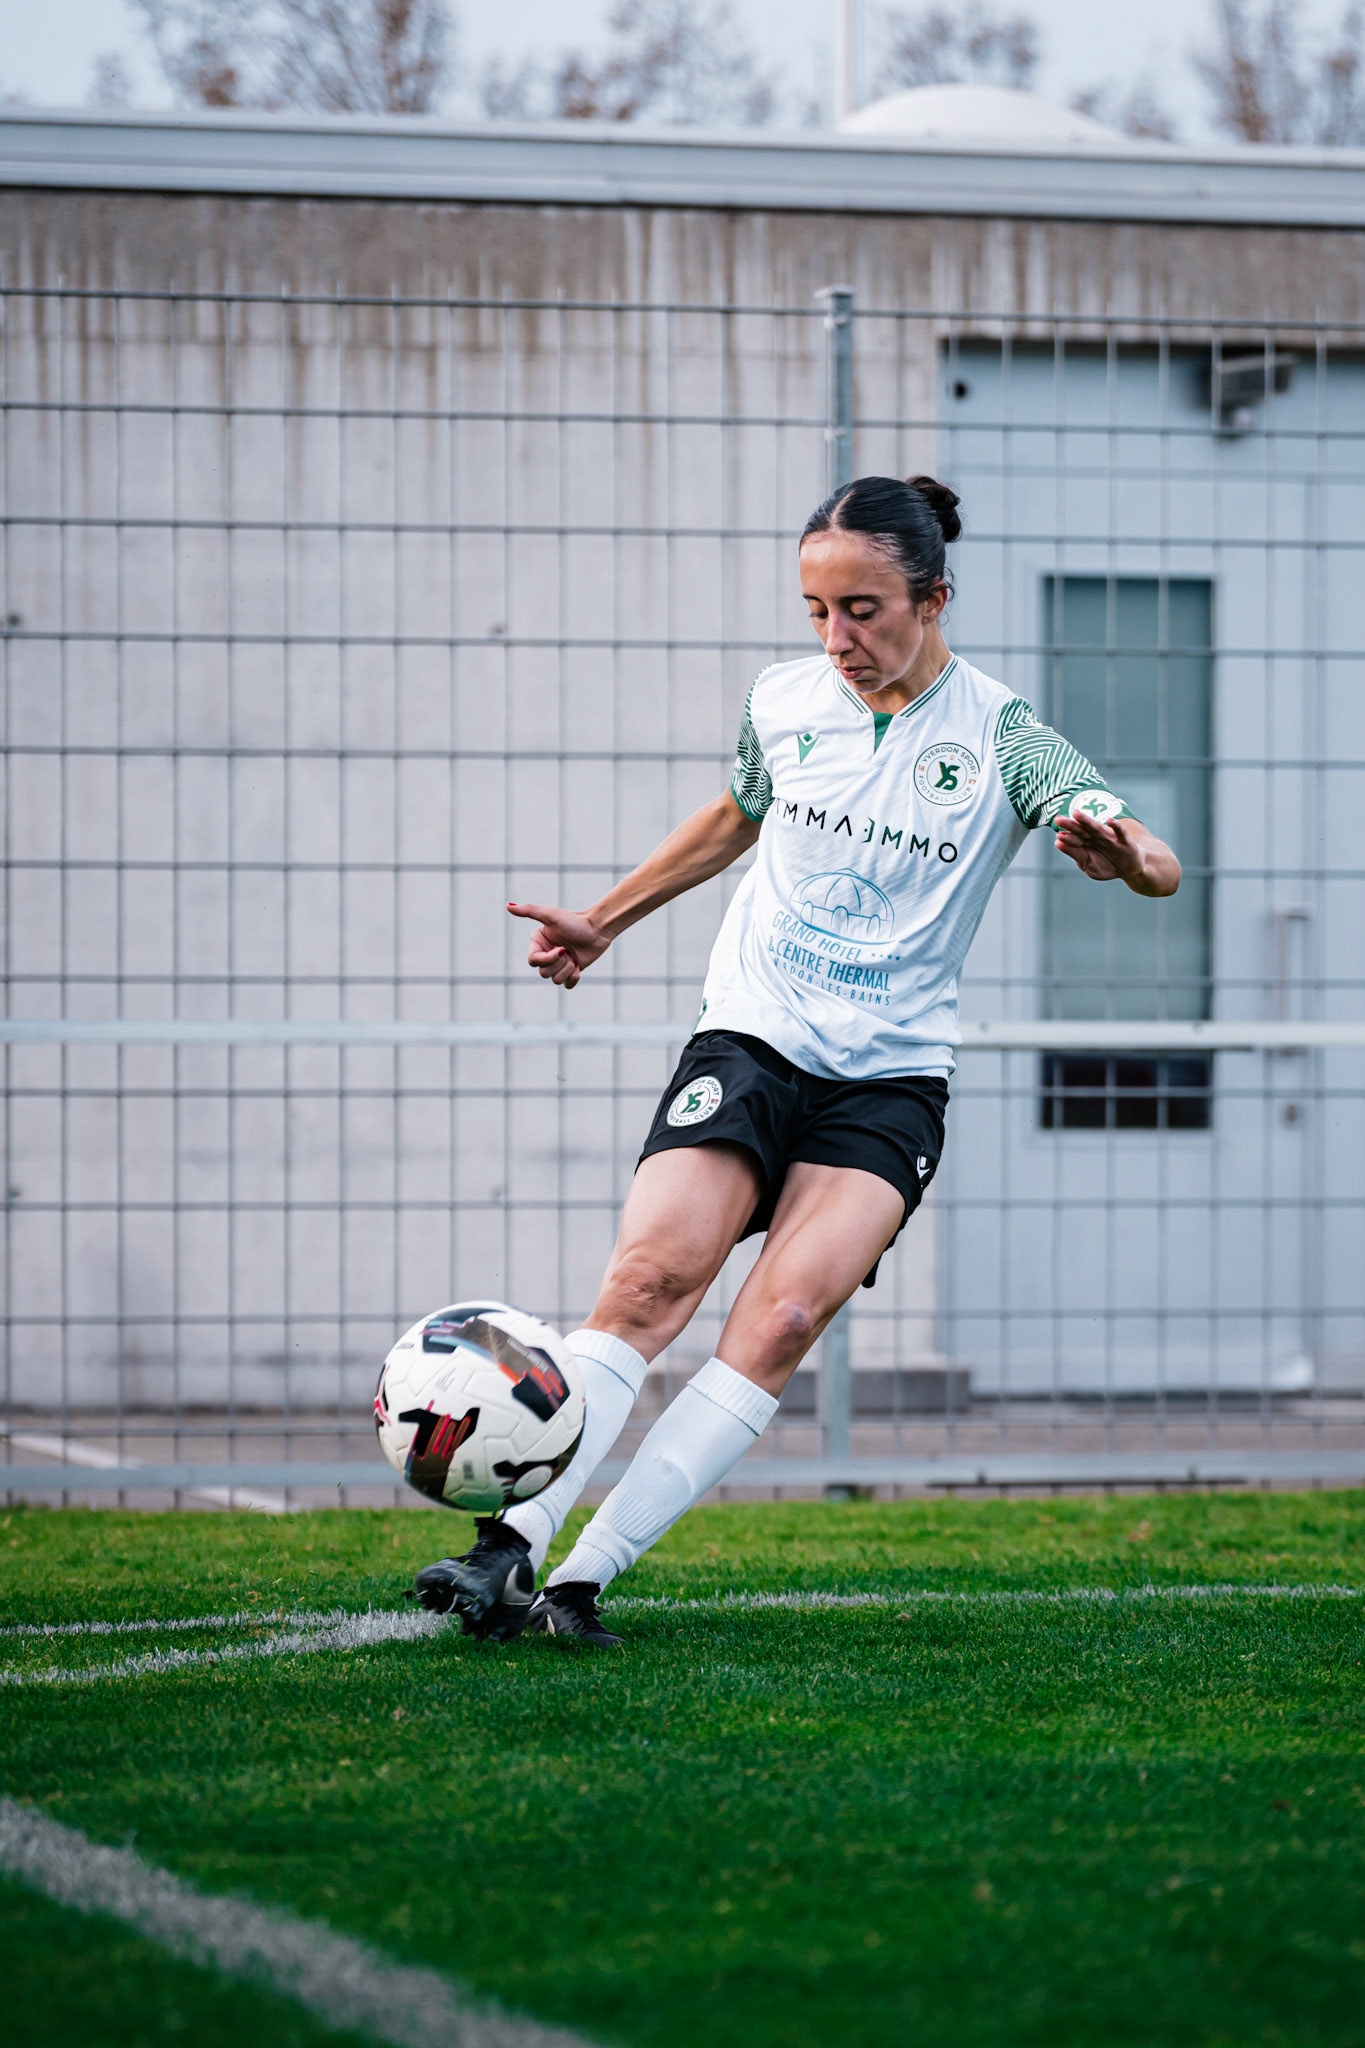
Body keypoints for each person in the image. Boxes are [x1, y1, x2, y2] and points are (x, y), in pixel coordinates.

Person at [412, 474, 1181, 1647]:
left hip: (888, 1077)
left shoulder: (1004, 737)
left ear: (933, 598)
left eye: (864, 609)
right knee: (646, 1284)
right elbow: (737, 813)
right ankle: (508, 1547)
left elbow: (1157, 861)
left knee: (776, 1324)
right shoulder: (784, 699)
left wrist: (1121, 857)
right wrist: (605, 920)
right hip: (753, 1033)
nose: (838, 639)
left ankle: (582, 1580)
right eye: (818, 608)